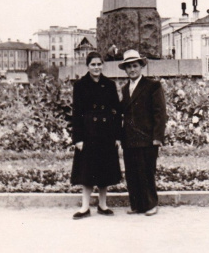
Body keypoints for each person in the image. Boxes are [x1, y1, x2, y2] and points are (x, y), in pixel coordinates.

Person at [71, 51, 121, 219]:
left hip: (106, 133)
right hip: (88, 133)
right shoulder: (80, 85)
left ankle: (102, 204)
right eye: (93, 64)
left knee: (104, 169)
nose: (96, 67)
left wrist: (117, 136)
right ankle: (85, 207)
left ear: (103, 65)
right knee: (87, 171)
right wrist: (77, 138)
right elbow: (76, 113)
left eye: (99, 64)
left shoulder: (109, 85)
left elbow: (116, 112)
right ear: (87, 66)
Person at [119, 49, 167, 216]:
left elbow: (160, 113)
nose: (132, 70)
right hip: (129, 138)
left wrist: (157, 137)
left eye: (135, 66)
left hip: (147, 138)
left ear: (141, 67)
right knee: (132, 172)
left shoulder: (152, 86)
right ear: (125, 69)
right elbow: (123, 113)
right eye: (129, 67)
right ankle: (137, 205)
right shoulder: (125, 89)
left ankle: (151, 204)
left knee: (147, 171)